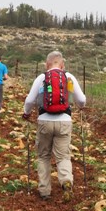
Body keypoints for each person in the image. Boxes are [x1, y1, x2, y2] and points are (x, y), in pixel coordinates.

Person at [22, 51, 86, 202]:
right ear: (62, 65)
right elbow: (82, 99)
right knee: (63, 155)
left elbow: (30, 100)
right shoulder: (68, 77)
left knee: (43, 156)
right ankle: (66, 182)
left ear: (47, 64)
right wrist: (80, 107)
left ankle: (44, 191)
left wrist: (26, 113)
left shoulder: (42, 77)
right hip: (65, 120)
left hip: (44, 120)